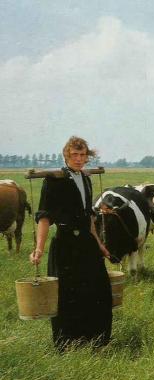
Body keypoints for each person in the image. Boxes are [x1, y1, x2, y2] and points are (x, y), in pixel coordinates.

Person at [30, 136, 112, 351]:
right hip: (65, 244)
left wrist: (99, 244)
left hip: (87, 242)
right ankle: (66, 346)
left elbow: (89, 218)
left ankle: (96, 341)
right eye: (74, 155)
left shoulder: (85, 178)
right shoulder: (54, 180)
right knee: (66, 296)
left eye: (82, 154)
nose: (78, 158)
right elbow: (45, 217)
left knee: (98, 291)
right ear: (66, 155)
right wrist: (39, 248)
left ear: (87, 157)